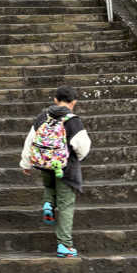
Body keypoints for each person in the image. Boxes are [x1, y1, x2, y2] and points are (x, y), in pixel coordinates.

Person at [19, 86, 91, 258]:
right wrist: (75, 158)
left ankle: (48, 204)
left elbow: (30, 141)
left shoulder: (43, 116)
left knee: (49, 187)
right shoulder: (73, 120)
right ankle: (65, 245)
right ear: (73, 102)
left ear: (55, 100)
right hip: (66, 168)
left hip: (44, 163)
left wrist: (26, 163)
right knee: (66, 205)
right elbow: (82, 146)